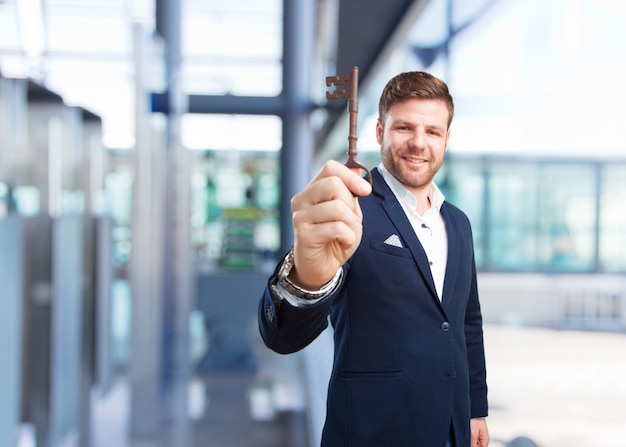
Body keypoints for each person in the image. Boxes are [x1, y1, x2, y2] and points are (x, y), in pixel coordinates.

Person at [258, 71, 490, 447]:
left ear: (446, 139)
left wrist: (475, 408)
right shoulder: (350, 208)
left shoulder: (458, 223)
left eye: (432, 131)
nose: (419, 143)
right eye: (404, 128)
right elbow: (283, 335)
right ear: (380, 131)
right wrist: (307, 277)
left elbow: (466, 322)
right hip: (373, 430)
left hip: (450, 428)